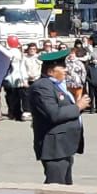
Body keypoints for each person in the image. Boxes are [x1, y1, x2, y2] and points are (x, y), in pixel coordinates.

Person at [28, 49, 86, 184]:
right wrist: (77, 107)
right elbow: (53, 114)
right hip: (54, 147)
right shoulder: (42, 87)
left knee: (65, 187)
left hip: (64, 146)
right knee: (55, 187)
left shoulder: (57, 86)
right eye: (62, 67)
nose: (66, 70)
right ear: (50, 71)